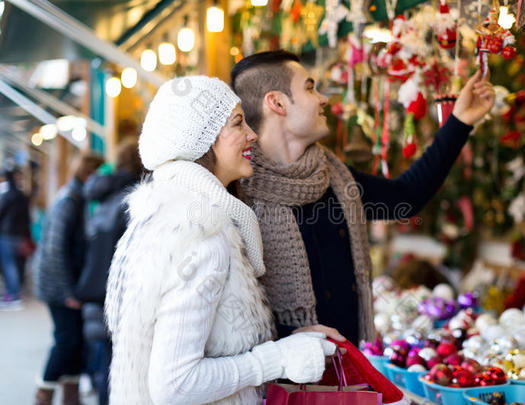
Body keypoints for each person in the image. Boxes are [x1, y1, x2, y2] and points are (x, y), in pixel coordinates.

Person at [231, 50, 495, 344]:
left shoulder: (333, 176)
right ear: (277, 103)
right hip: (279, 382)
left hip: (350, 372)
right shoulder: (238, 195)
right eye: (309, 87)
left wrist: (459, 121)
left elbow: (406, 198)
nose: (323, 99)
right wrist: (290, 339)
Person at [104, 76, 337, 405]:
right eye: (238, 123)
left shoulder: (172, 216)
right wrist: (278, 357)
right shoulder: (202, 237)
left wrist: (290, 342)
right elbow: (175, 385)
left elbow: (215, 343)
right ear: (199, 141)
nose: (252, 135)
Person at [33, 152, 105, 405]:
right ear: (90, 175)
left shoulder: (75, 198)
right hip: (59, 288)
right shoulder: (69, 202)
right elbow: (55, 249)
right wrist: (68, 292)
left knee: (74, 342)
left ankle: (70, 397)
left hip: (66, 286)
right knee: (67, 342)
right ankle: (44, 395)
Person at [77, 137, 143, 405]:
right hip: (121, 295)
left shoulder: (102, 198)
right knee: (121, 368)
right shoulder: (135, 199)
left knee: (107, 361)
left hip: (95, 289)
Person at [0, 167, 31, 309]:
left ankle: (13, 294)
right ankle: (14, 291)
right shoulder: (23, 196)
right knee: (16, 263)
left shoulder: (6, 196)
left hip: (7, 234)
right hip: (19, 235)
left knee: (9, 264)